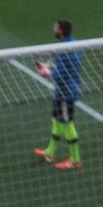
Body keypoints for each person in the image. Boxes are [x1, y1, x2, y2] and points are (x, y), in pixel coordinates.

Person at [37, 19, 83, 169]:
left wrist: (46, 72)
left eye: (55, 27)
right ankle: (50, 152)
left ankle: (75, 160)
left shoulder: (63, 49)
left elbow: (60, 74)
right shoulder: (74, 44)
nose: (53, 29)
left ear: (61, 31)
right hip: (64, 91)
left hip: (65, 93)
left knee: (67, 123)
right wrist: (49, 66)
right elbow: (66, 66)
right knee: (56, 120)